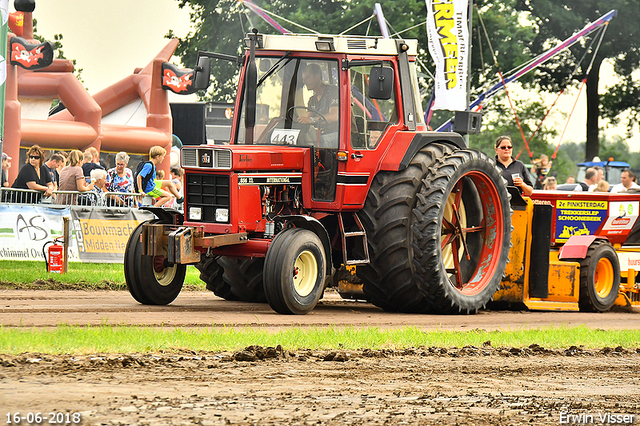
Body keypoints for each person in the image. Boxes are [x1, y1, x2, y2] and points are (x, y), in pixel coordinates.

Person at [296, 63, 339, 148]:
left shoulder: (333, 92)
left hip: (339, 135)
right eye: (303, 79)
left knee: (322, 142)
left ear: (317, 76)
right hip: (321, 135)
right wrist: (300, 122)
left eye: (307, 78)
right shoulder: (312, 100)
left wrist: (312, 120)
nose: (304, 82)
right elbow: (308, 120)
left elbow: (334, 116)